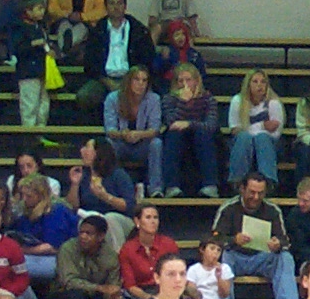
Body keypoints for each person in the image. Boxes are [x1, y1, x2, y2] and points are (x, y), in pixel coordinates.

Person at [211, 175, 299, 299]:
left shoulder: (272, 210)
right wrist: (234, 239)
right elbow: (214, 239)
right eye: (252, 192)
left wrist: (277, 244)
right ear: (242, 189)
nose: (256, 197)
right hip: (235, 257)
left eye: (261, 193)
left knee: (285, 257)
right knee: (224, 258)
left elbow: (285, 241)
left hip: (262, 258)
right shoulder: (229, 209)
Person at [158, 63, 219, 198]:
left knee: (203, 134)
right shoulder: (169, 98)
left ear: (196, 81)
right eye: (180, 80)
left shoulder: (208, 98)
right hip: (178, 138)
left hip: (201, 136)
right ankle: (172, 187)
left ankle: (210, 186)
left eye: (188, 80)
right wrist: (183, 102)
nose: (184, 84)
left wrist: (189, 124)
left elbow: (211, 124)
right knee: (174, 134)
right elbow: (169, 122)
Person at [56, 213, 124, 299]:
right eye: (81, 232)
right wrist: (99, 288)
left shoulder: (110, 256)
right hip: (64, 296)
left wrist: (113, 296)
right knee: (78, 297)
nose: (83, 236)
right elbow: (69, 282)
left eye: (88, 234)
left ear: (101, 236)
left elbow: (112, 286)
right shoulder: (68, 249)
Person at [103, 66, 164, 197]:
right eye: (136, 80)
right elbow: (110, 129)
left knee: (157, 143)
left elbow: (155, 129)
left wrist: (139, 134)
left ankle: (155, 189)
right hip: (120, 143)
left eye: (144, 80)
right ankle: (110, 187)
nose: (140, 84)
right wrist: (123, 134)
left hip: (143, 144)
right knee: (108, 144)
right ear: (128, 81)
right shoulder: (113, 98)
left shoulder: (154, 99)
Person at [65, 137, 136, 246]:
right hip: (91, 218)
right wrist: (75, 184)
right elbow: (72, 206)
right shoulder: (84, 175)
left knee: (110, 218)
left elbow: (129, 205)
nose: (82, 151)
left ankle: (117, 257)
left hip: (119, 221)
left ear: (98, 153)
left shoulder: (118, 174)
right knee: (80, 222)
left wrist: (105, 196)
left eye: (87, 148)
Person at [11, 173, 76, 284]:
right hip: (34, 255)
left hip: (59, 258)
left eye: (29, 196)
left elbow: (50, 247)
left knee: (14, 269)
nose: (24, 199)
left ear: (41, 195)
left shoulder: (56, 211)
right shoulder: (24, 210)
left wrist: (20, 250)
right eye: (22, 195)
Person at [226, 69, 284, 187]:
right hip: (242, 142)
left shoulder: (274, 103)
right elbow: (234, 129)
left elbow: (275, 132)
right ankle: (238, 182)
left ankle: (268, 182)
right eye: (255, 82)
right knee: (244, 138)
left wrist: (251, 129)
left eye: (263, 82)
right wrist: (262, 125)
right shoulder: (238, 101)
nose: (259, 85)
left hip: (269, 144)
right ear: (248, 84)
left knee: (262, 138)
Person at [6, 0, 52, 133]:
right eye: (39, 8)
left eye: (43, 8)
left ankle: (40, 132)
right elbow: (16, 49)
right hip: (28, 73)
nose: (42, 12)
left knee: (43, 105)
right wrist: (33, 44)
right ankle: (29, 135)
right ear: (28, 11)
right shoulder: (19, 28)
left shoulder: (41, 27)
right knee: (30, 105)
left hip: (42, 71)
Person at [119, 202, 179, 299]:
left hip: (167, 290)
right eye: (148, 217)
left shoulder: (169, 244)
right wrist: (150, 298)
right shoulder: (128, 249)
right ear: (137, 221)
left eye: (155, 218)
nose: (153, 221)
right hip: (140, 295)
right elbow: (130, 286)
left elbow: (176, 274)